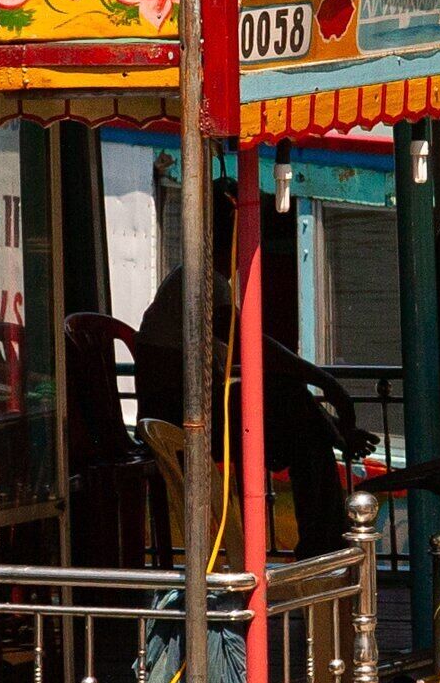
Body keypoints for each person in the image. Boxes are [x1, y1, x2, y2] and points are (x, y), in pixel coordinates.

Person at [134, 189, 356, 557]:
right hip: (179, 420)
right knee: (291, 402)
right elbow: (247, 342)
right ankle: (324, 537)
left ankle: (324, 528)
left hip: (189, 411)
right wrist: (324, 381)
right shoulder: (202, 280)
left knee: (291, 402)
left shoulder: (198, 279)